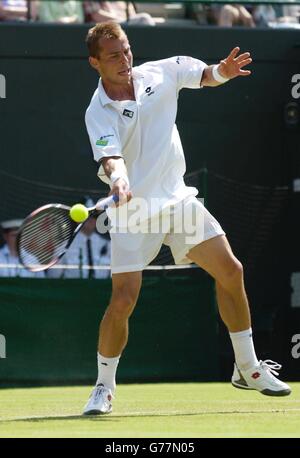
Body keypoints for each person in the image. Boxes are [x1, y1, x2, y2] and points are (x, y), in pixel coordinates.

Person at [82, 21, 291, 415]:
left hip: (178, 202)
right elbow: (111, 158)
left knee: (231, 270)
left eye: (126, 49)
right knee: (123, 300)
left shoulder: (161, 72)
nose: (124, 59)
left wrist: (222, 73)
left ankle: (247, 368)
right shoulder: (97, 111)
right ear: (95, 62)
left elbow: (205, 75)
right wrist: (120, 178)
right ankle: (103, 387)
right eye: (113, 55)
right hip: (135, 211)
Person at [47, 197, 111, 279]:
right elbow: (52, 278)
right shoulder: (64, 246)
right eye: (86, 214)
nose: (91, 219)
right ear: (77, 218)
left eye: (94, 215)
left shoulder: (107, 245)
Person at [84, 1, 156, 26]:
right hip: (105, 28)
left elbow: (131, 13)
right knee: (144, 18)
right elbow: (96, 15)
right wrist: (124, 19)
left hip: (123, 25)